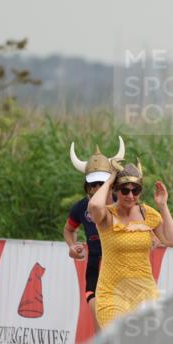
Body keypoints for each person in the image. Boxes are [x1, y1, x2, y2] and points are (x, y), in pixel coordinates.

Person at [88, 159, 173, 328]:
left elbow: (172, 240)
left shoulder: (147, 214)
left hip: (144, 293)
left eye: (135, 190)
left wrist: (163, 206)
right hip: (112, 294)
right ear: (115, 189)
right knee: (119, 339)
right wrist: (110, 179)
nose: (130, 196)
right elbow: (93, 205)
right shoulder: (107, 215)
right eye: (125, 190)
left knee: (144, 342)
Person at [66, 137, 124, 325]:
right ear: (87, 186)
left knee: (117, 323)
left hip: (121, 267)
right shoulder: (80, 207)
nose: (98, 188)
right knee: (99, 318)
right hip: (95, 267)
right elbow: (69, 230)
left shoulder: (123, 202)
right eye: (93, 184)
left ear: (111, 183)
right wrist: (72, 246)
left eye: (102, 183)